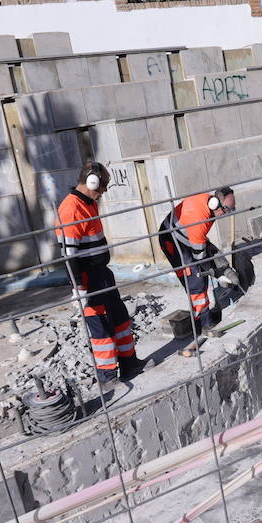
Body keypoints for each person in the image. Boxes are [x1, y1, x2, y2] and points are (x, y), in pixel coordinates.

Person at [56, 162, 145, 388]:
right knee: (101, 328)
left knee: (120, 318)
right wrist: (79, 288)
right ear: (92, 182)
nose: (105, 190)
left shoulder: (88, 203)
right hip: (88, 277)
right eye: (104, 185)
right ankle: (107, 377)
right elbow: (68, 255)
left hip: (102, 273)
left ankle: (129, 364)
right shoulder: (71, 208)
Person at [158, 187, 235, 355]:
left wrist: (220, 266)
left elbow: (204, 247)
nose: (227, 214)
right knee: (195, 280)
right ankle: (203, 324)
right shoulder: (199, 218)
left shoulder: (211, 207)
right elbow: (201, 257)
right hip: (172, 240)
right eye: (227, 210)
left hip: (185, 235)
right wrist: (215, 271)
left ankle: (204, 316)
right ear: (216, 204)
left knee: (203, 271)